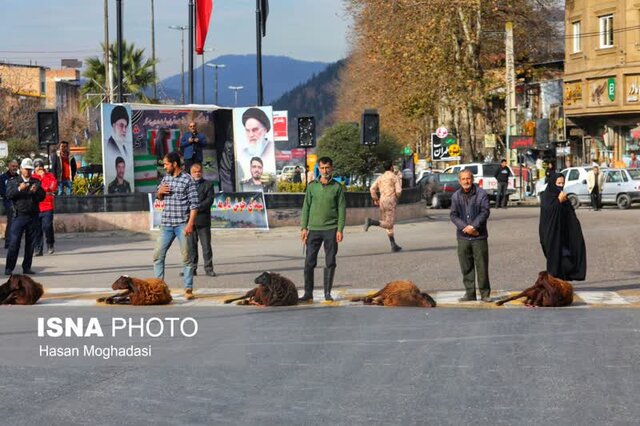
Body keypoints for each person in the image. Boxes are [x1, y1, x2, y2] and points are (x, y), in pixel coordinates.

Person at [299, 157, 346, 302]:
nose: (325, 171)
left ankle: (327, 293)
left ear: (332, 168)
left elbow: (341, 209)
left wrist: (340, 229)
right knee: (309, 262)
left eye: (327, 168)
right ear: (318, 169)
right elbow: (306, 207)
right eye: (322, 168)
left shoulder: (337, 187)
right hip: (313, 230)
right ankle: (308, 293)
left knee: (330, 261)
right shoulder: (312, 186)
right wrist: (303, 227)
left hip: (331, 229)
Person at [153, 152, 199, 300]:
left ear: (174, 164)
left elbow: (194, 204)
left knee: (187, 257)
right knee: (158, 256)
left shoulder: (188, 180)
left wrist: (190, 224)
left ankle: (188, 288)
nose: (164, 166)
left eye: (166, 164)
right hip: (166, 224)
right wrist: (159, 192)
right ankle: (159, 286)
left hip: (182, 225)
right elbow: (159, 196)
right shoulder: (166, 178)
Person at [449, 169, 491, 302]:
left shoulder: (481, 194)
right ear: (459, 181)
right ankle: (470, 293)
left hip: (479, 237)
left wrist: (473, 227)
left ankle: (485, 294)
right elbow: (453, 215)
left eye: (468, 178)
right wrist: (465, 228)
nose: (466, 181)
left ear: (472, 179)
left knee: (482, 266)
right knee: (466, 267)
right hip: (463, 238)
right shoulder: (456, 196)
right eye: (463, 179)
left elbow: (485, 212)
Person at [539, 173, 586, 281]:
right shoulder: (547, 197)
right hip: (550, 236)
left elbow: (570, 214)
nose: (560, 186)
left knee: (566, 262)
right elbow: (549, 212)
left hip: (563, 237)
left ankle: (561, 283)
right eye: (558, 183)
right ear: (553, 183)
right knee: (554, 261)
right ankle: (553, 283)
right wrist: (558, 201)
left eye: (562, 183)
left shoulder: (563, 197)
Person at [4, 158, 45, 275]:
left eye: (30, 169)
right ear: (21, 169)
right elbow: (9, 195)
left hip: (33, 216)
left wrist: (36, 191)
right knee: (14, 243)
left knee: (30, 244)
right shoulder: (14, 181)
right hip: (19, 216)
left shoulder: (35, 181)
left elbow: (42, 196)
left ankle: (27, 267)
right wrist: (19, 189)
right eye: (26, 169)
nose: (28, 171)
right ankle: (9, 268)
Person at [363, 161, 403, 252]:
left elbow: (372, 189)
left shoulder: (380, 177)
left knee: (387, 221)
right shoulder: (394, 177)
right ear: (391, 167)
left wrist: (376, 199)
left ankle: (393, 244)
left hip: (382, 201)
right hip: (390, 200)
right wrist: (397, 196)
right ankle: (371, 222)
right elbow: (399, 191)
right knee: (389, 223)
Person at [184, 163, 216, 277]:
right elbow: (183, 199)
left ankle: (209, 268)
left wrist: (196, 208)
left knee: (206, 246)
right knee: (191, 246)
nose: (197, 173)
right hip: (189, 221)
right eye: (195, 172)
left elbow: (209, 200)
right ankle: (192, 269)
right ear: (190, 173)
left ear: (202, 172)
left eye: (199, 171)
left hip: (203, 220)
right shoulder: (186, 185)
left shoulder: (208, 185)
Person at [238, 108, 274, 179]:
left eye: (255, 130)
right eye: (248, 131)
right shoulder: (243, 153)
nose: (251, 135)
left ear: (265, 130)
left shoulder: (272, 149)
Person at [32, 159, 58, 256]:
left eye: (40, 166)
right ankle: (38, 249)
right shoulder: (32, 177)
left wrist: (43, 177)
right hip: (35, 207)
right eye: (37, 166)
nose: (39, 168)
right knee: (37, 229)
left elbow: (52, 187)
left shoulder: (50, 176)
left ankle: (50, 243)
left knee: (47, 226)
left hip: (47, 205)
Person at [0, 159, 19, 248]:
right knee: (11, 221)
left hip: (19, 203)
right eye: (13, 166)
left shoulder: (19, 177)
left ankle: (15, 241)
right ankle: (8, 242)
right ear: (9, 166)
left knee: (18, 222)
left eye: (16, 166)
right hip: (9, 202)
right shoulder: (2, 177)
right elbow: (2, 191)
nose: (14, 168)